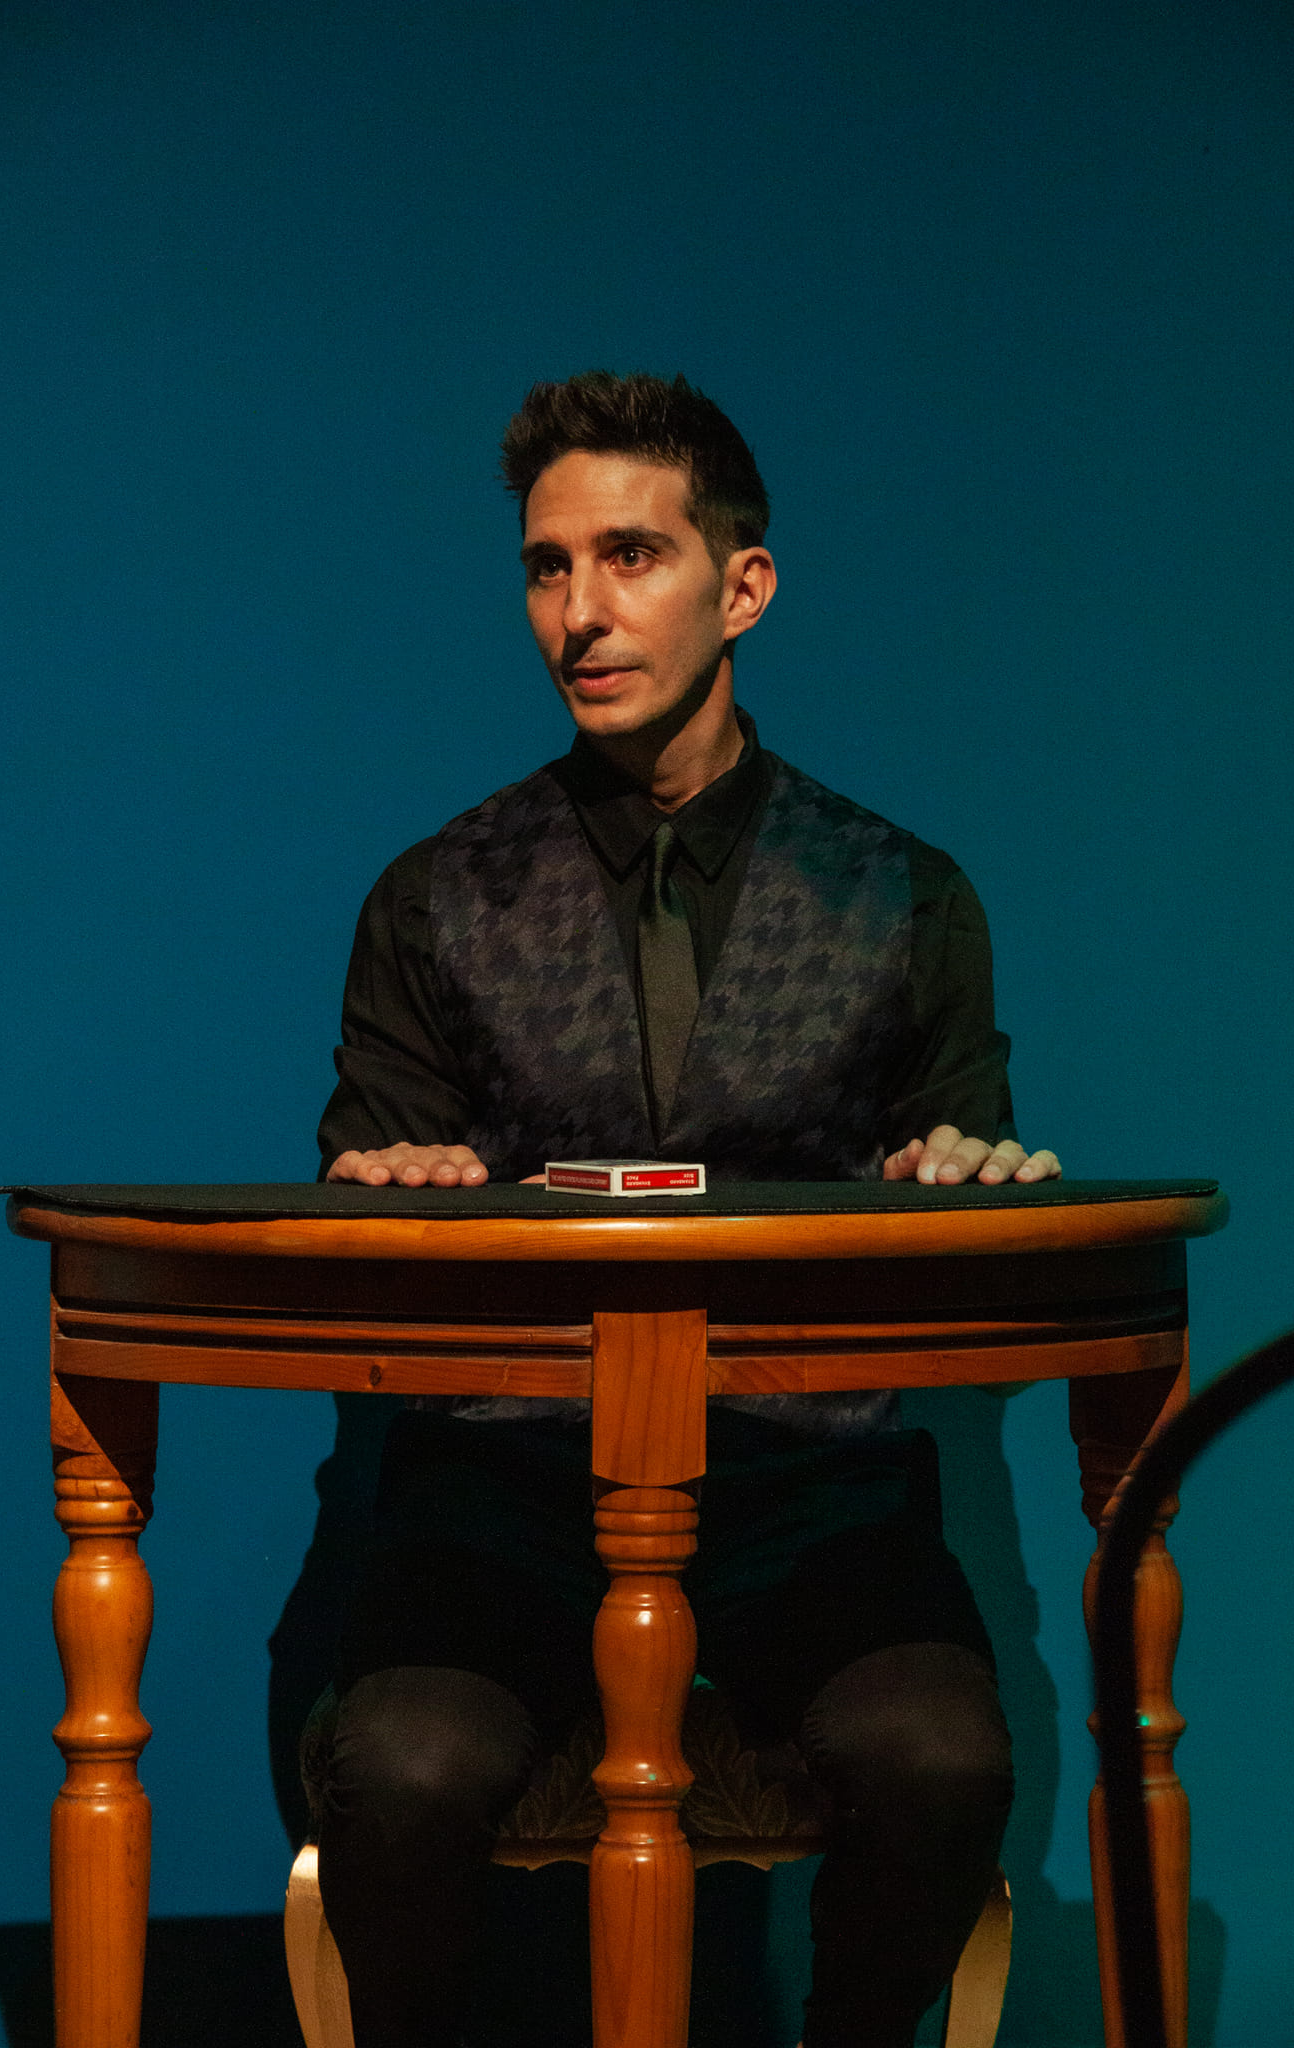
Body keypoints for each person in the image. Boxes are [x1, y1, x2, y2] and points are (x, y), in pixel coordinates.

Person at [313, 371, 1060, 2048]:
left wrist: (956, 1180)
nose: (578, 612)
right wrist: (401, 1189)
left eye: (630, 556)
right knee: (399, 1772)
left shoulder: (902, 897)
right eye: (546, 566)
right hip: (501, 1506)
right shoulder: (432, 897)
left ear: (743, 585)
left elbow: (966, 1176)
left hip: (811, 1504)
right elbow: (365, 1191)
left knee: (942, 1763)